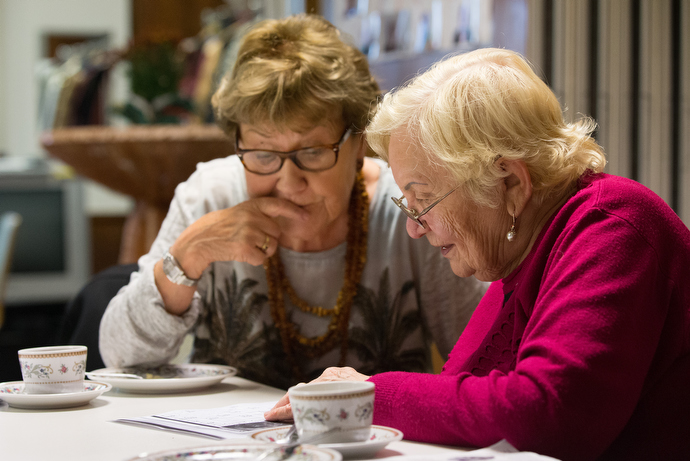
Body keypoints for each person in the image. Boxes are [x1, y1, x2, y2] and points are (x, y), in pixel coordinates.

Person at [265, 48, 690, 460]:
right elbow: (462, 389)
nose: (414, 227)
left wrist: (371, 394)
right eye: (406, 205)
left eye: (423, 200)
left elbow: (547, 414)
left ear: (510, 184)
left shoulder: (613, 223)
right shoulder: (522, 247)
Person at [98, 14, 487, 390]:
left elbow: (489, 366)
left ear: (358, 144)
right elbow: (118, 357)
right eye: (263, 154)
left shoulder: (408, 212)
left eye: (313, 151)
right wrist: (187, 257)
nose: (287, 182)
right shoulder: (209, 197)